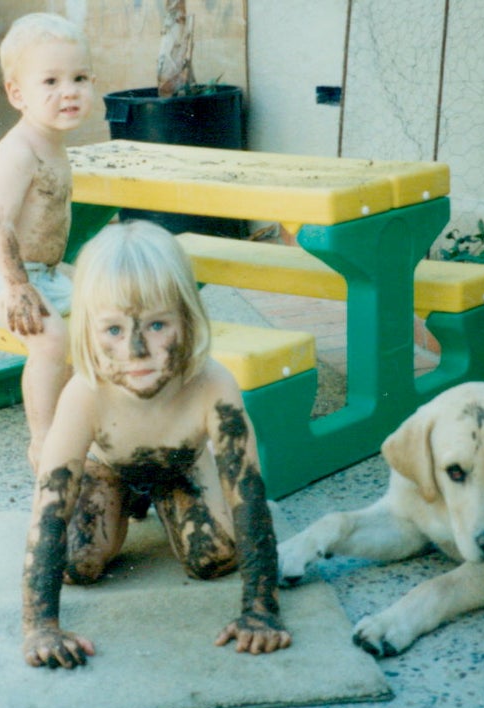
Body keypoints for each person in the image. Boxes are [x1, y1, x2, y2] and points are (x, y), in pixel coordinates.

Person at [21, 220, 292, 668]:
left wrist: (261, 611)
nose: (136, 350)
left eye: (157, 325)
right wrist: (39, 627)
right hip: (107, 467)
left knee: (214, 557)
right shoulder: (84, 394)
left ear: (187, 318)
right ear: (87, 331)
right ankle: (127, 502)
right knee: (76, 564)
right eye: (113, 331)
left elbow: (248, 496)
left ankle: (167, 498)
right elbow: (49, 509)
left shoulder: (213, 386)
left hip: (180, 463)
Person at [0, 13, 95, 470]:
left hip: (43, 274)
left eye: (80, 78)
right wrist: (19, 286)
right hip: (5, 281)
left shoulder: (55, 143)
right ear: (17, 94)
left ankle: (88, 417)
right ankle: (44, 443)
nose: (69, 91)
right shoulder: (18, 150)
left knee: (110, 302)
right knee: (50, 339)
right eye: (51, 81)